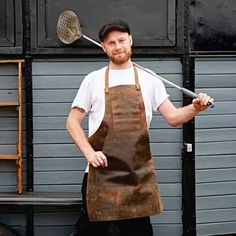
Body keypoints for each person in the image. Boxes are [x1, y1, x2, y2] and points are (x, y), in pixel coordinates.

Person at [66, 20, 213, 236]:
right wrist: (89, 153)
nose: (117, 46)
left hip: (136, 177)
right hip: (99, 175)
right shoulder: (93, 80)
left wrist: (195, 108)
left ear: (130, 40)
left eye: (121, 40)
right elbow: (72, 121)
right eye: (111, 43)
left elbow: (173, 117)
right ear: (103, 47)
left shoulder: (149, 78)